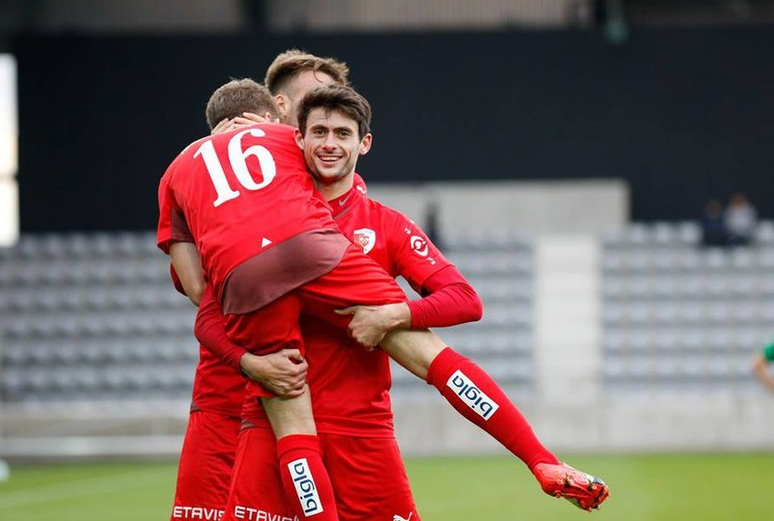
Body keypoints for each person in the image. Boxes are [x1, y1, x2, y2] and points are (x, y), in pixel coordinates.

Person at [163, 80, 609, 518]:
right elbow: (205, 315)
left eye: (342, 133)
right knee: (379, 374)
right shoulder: (278, 170)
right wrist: (249, 365)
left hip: (360, 429)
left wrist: (398, 312)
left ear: (365, 143)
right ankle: (538, 458)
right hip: (259, 423)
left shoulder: (382, 223)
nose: (329, 143)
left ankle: (541, 461)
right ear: (292, 130)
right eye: (318, 131)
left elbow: (465, 301)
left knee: (403, 356)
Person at [166, 51, 350, 521]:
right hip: (228, 394)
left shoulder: (339, 187)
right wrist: (249, 360)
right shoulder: (206, 184)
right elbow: (202, 297)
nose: (326, 116)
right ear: (279, 107)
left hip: (307, 395)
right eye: (314, 101)